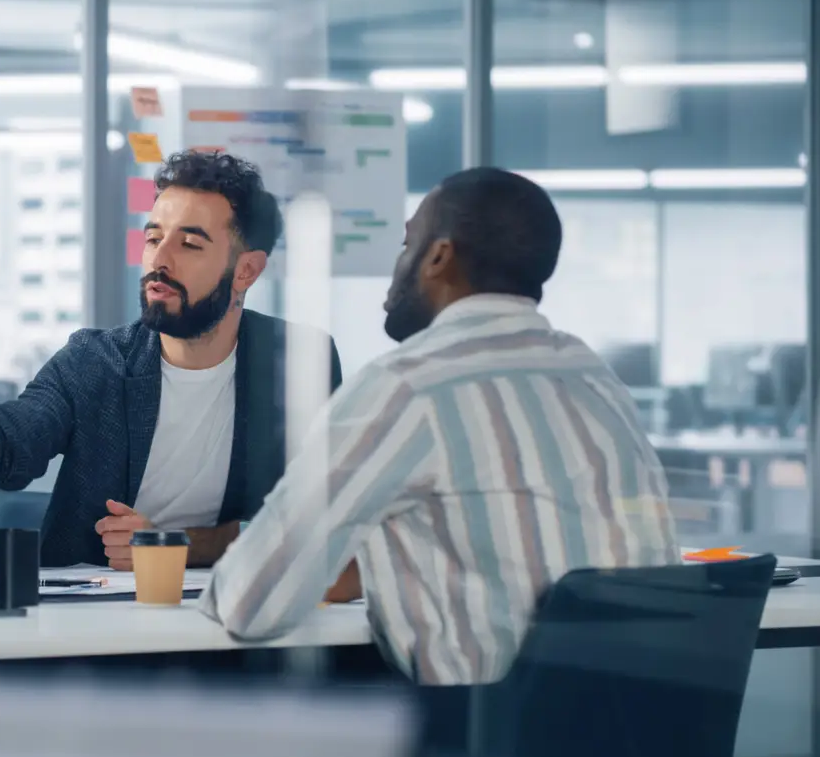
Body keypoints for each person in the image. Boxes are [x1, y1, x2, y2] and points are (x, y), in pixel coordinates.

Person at [201, 167, 680, 684]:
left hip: (489, 744)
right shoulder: (592, 377)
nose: (397, 266)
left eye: (407, 243)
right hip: (644, 742)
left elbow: (249, 601)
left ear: (438, 257)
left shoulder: (408, 385)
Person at [0, 150, 341, 570]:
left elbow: (315, 519)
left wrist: (176, 544)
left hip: (241, 625)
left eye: (190, 244)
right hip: (92, 632)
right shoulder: (98, 361)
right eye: (154, 238)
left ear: (246, 270)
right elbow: (13, 434)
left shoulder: (296, 363)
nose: (161, 260)